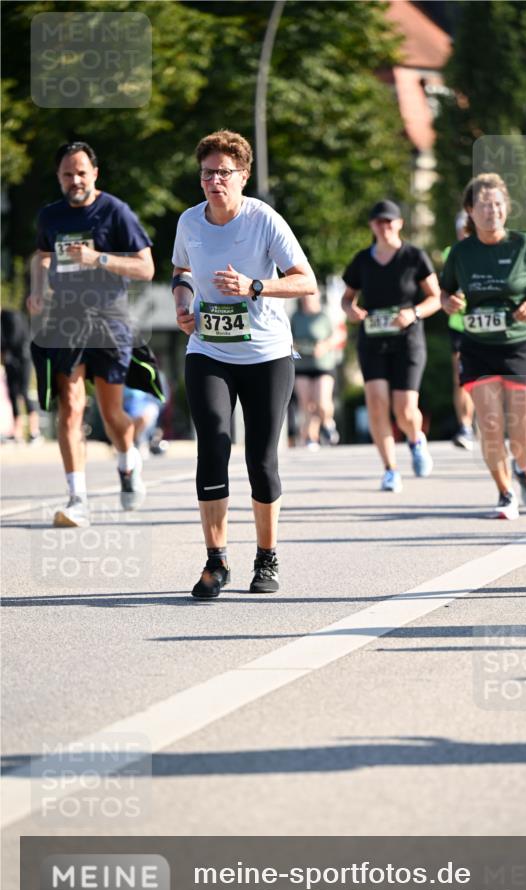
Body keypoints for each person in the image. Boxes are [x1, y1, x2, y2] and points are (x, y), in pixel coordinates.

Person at [171, 129, 316, 598]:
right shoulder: (189, 222)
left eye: (224, 173)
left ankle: (266, 556)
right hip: (208, 349)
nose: (214, 181)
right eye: (207, 173)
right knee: (213, 443)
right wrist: (183, 302)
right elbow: (181, 270)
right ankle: (216, 562)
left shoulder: (263, 220)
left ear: (243, 176)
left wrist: (255, 286)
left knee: (260, 457)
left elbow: (305, 281)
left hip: (265, 354)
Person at [27, 140, 155, 527]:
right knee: (70, 406)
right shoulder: (50, 216)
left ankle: (128, 460)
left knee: (112, 413)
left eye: (82, 173)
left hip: (109, 320)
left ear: (95, 173)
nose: (75, 180)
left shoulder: (116, 211)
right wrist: (37, 288)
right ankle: (77, 498)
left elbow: (146, 268)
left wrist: (97, 258)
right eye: (68, 174)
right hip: (66, 321)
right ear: (59, 177)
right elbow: (42, 256)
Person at [440, 173, 526, 519]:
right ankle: (505, 492)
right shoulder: (461, 253)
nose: (492, 211)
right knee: (490, 424)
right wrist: (449, 302)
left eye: (497, 204)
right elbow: (445, 291)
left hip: (522, 344)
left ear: (506, 207)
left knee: (523, 429)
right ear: (469, 211)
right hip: (478, 346)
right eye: (484, 205)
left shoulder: (523, 245)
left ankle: (523, 468)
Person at [341, 200, 441, 492]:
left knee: (405, 409)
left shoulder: (414, 257)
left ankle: (416, 439)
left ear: (399, 223)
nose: (384, 227)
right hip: (372, 340)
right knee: (376, 404)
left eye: (389, 221)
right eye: (378, 222)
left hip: (408, 340)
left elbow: (435, 298)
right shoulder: (362, 260)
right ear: (372, 226)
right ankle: (390, 469)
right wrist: (350, 310)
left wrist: (414, 313)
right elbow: (347, 298)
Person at [291, 288, 343, 448]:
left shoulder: (325, 315)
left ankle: (327, 423)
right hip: (302, 365)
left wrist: (325, 345)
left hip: (323, 365)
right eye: (305, 296)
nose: (307, 299)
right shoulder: (295, 317)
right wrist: (294, 347)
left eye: (311, 296)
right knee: (306, 403)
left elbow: (340, 334)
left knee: (322, 402)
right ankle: (310, 438)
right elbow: (289, 338)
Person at [443, 211, 475, 450]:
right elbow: (444, 289)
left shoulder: (487, 250)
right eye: (461, 231)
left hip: (484, 324)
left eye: (468, 230)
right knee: (460, 378)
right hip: (459, 324)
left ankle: (484, 421)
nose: (464, 235)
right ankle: (465, 425)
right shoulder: (450, 253)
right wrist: (451, 299)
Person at [0, 308, 41, 444]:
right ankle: (16, 433)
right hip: (10, 361)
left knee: (24, 392)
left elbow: (15, 338)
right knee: (13, 394)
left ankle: (35, 432)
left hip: (23, 359)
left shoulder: (11, 316)